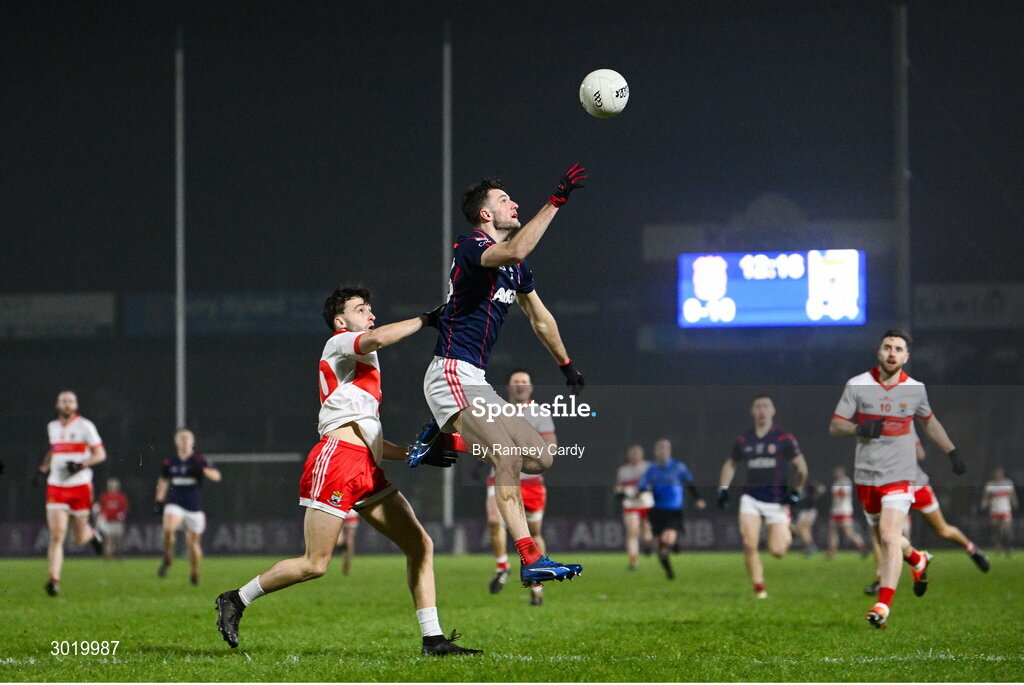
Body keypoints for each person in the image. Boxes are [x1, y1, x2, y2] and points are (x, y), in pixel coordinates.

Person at [215, 286, 480, 657]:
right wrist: (427, 319)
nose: (371, 315)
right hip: (336, 461)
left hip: (365, 468)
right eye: (361, 309)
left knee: (420, 544)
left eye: (371, 309)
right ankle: (236, 599)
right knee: (315, 564)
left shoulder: (362, 376)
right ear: (341, 321)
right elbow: (377, 339)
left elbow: (369, 440)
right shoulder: (339, 343)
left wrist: (413, 453)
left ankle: (433, 639)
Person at [409, 166, 588, 589]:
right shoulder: (472, 247)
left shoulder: (515, 269)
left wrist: (566, 364)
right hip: (450, 370)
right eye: (506, 201)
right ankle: (530, 558)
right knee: (506, 457)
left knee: (539, 457)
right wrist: (556, 201)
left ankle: (443, 439)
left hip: (475, 380)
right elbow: (513, 252)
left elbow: (540, 319)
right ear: (486, 215)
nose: (515, 205)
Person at [830, 329, 968, 629]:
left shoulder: (915, 389)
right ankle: (917, 559)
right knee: (888, 538)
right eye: (887, 347)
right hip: (867, 477)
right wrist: (858, 429)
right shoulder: (858, 384)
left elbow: (929, 423)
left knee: (890, 536)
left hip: (901, 475)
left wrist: (952, 452)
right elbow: (836, 425)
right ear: (879, 352)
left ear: (906, 356)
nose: (892, 353)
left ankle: (883, 605)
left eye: (898, 349)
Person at [718, 395, 807, 598]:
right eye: (758, 406)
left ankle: (786, 529)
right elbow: (731, 463)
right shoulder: (744, 439)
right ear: (752, 411)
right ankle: (759, 587)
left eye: (766, 406)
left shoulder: (784, 439)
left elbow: (801, 468)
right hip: (751, 498)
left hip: (777, 501)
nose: (762, 410)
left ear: (773, 411)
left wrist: (796, 491)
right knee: (749, 543)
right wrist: (723, 488)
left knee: (777, 551)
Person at [486, 369, 557, 606]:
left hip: (531, 481)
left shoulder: (539, 413)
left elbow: (551, 446)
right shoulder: (496, 412)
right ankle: (502, 567)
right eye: (515, 381)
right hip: (501, 477)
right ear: (508, 386)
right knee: (495, 521)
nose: (520, 385)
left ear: (530, 387)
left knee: (534, 534)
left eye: (524, 382)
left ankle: (537, 585)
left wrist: (526, 458)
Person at [32, 390, 106, 596]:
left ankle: (92, 535)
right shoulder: (52, 427)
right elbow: (54, 450)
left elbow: (100, 454)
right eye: (63, 401)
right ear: (57, 405)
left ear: (76, 405)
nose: (67, 404)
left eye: (70, 401)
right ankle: (54, 580)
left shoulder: (85, 426)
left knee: (78, 538)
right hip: (56, 486)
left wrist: (82, 464)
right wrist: (42, 469)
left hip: (80, 487)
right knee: (57, 535)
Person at [155, 428, 222, 585]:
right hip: (175, 503)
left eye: (187, 439)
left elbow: (217, 476)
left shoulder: (199, 461)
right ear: (176, 442)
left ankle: (195, 571)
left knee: (193, 545)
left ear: (192, 442)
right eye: (181, 438)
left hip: (194, 507)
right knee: (169, 528)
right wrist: (158, 500)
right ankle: (168, 554)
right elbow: (163, 481)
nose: (184, 441)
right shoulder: (170, 462)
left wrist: (205, 471)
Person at [638, 439, 705, 580]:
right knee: (659, 546)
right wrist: (642, 492)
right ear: (655, 452)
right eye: (659, 449)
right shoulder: (651, 469)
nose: (662, 452)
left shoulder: (678, 466)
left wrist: (698, 498)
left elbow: (689, 483)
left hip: (674, 510)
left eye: (665, 449)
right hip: (657, 510)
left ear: (669, 451)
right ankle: (669, 572)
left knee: (666, 539)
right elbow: (642, 486)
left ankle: (674, 543)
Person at [615, 444, 654, 571]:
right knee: (632, 531)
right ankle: (633, 561)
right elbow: (618, 487)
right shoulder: (623, 470)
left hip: (646, 503)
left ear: (642, 454)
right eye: (632, 452)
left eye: (637, 452)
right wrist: (620, 490)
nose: (634, 455)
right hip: (630, 504)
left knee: (646, 530)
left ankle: (648, 544)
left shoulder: (648, 467)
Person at [827, 466, 869, 562]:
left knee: (848, 532)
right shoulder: (836, 483)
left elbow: (844, 495)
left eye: (839, 472)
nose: (837, 474)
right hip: (835, 511)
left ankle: (862, 547)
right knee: (833, 531)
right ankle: (832, 552)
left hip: (844, 511)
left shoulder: (846, 482)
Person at [981, 467, 1017, 555]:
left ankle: (1008, 546)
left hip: (1005, 510)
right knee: (996, 530)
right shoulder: (990, 485)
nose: (998, 476)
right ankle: (998, 546)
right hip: (994, 511)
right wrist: (984, 504)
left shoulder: (1008, 483)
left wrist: (1015, 503)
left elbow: (1012, 496)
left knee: (1006, 529)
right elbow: (985, 497)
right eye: (997, 474)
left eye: (1000, 474)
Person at [94, 477, 129, 560]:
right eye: (111, 485)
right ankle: (108, 556)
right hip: (108, 521)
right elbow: (101, 508)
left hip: (117, 521)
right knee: (108, 539)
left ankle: (118, 555)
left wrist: (122, 515)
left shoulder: (121, 497)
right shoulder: (104, 497)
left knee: (118, 539)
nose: (113, 487)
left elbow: (124, 508)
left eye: (114, 485)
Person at [791, 478, 825, 556]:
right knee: (804, 530)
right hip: (804, 511)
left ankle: (811, 547)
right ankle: (810, 547)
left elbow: (821, 489)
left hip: (809, 511)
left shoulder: (809, 485)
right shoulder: (797, 489)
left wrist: (818, 492)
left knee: (802, 529)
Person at [335, 509, 359, 575]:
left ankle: (346, 563)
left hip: (341, 512)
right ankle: (346, 563)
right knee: (347, 541)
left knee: (348, 541)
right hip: (344, 513)